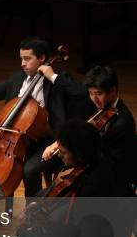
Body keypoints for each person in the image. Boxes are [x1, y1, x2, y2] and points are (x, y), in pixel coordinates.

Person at [0, 37, 88, 198]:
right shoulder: (17, 78)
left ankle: (31, 214)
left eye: (27, 59)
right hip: (12, 138)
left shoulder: (58, 80)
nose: (22, 64)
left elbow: (81, 94)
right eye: (21, 59)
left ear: (42, 58)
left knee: (30, 170)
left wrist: (52, 76)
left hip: (47, 141)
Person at [43, 65, 135, 196]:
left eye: (98, 93)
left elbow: (108, 164)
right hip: (91, 166)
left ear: (113, 91)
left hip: (107, 182)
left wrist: (74, 154)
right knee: (49, 165)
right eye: (91, 93)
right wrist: (59, 143)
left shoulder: (122, 123)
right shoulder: (102, 106)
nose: (94, 99)